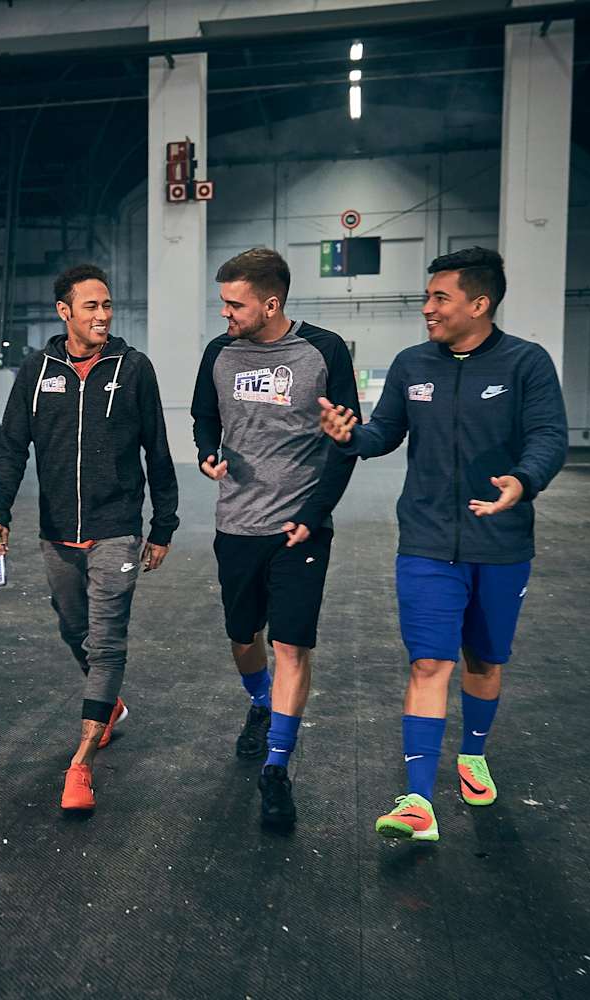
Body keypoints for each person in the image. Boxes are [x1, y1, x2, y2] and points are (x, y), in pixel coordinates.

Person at [318, 247, 567, 842]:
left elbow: (549, 436)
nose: (427, 308)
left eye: (439, 298)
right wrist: (350, 437)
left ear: (479, 304)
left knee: (484, 660)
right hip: (427, 541)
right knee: (429, 662)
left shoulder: (526, 363)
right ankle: (418, 801)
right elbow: (384, 432)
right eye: (427, 297)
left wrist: (523, 480)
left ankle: (473, 754)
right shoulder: (412, 365)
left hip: (501, 542)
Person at [0, 263, 179, 813]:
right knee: (76, 630)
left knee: (107, 640)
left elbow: (157, 449)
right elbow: (11, 448)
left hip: (116, 527)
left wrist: (163, 524)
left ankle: (82, 762)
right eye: (91, 306)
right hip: (56, 532)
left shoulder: (133, 368)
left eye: (107, 305)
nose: (103, 315)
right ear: (64, 311)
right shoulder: (36, 370)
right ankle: (108, 705)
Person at [192, 246, 361, 829]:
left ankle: (276, 767)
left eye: (234, 304)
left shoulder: (324, 351)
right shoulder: (219, 353)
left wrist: (315, 512)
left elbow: (345, 442)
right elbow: (204, 417)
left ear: (271, 304)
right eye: (223, 302)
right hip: (236, 525)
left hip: (299, 529)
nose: (225, 313)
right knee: (244, 637)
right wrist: (207, 453)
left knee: (291, 645)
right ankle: (261, 703)